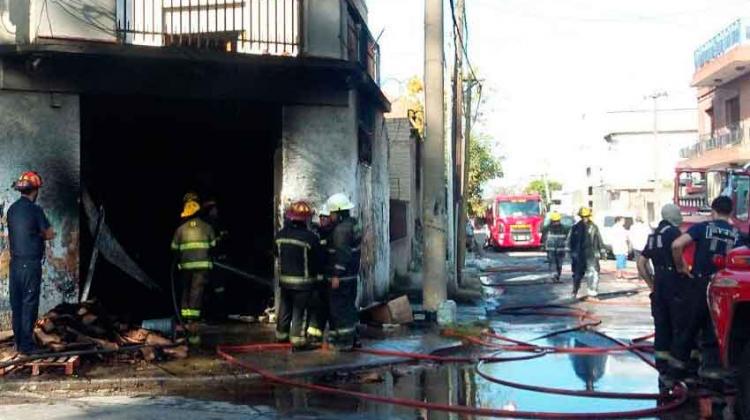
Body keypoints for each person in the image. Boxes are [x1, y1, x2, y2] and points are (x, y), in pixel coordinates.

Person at [670, 196, 741, 380]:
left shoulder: (703, 227)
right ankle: (712, 373)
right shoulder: (737, 233)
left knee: (689, 325)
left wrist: (682, 267)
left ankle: (677, 371)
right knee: (715, 330)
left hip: (700, 283)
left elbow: (677, 244)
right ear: (731, 212)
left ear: (713, 211)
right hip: (724, 288)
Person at [7, 171, 55, 356]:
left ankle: (19, 344)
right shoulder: (35, 210)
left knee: (17, 304)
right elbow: (49, 233)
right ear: (35, 190)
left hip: (15, 265)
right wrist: (41, 234)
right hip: (30, 264)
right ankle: (27, 347)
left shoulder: (12, 209)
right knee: (29, 304)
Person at [636, 204, 683, 382]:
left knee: (661, 325)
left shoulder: (653, 235)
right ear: (673, 216)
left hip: (659, 282)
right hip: (674, 282)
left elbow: (641, 263)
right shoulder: (673, 233)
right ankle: (677, 369)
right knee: (678, 325)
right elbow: (680, 251)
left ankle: (662, 369)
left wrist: (651, 285)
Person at [274, 201, 321, 350]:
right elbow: (317, 259)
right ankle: (298, 341)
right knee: (300, 311)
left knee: (285, 309)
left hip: (285, 281)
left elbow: (276, 254)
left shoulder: (279, 235)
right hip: (304, 283)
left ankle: (281, 336)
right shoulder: (311, 238)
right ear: (306, 219)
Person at [171, 193, 216, 339]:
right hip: (202, 268)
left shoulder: (180, 230)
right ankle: (193, 327)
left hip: (185, 267)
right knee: (196, 293)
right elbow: (213, 245)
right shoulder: (207, 228)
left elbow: (173, 248)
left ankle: (184, 323)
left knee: (185, 292)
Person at [325, 193, 362, 351]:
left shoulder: (341, 231)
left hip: (343, 277)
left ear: (339, 213)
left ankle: (344, 342)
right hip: (352, 275)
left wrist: (336, 275)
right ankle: (352, 338)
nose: (330, 216)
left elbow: (342, 255)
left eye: (332, 213)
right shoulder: (354, 224)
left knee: (338, 309)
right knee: (349, 307)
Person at [307, 205, 334, 347]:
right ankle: (314, 336)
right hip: (318, 279)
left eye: (325, 217)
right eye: (321, 217)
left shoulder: (334, 234)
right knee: (317, 308)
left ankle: (335, 336)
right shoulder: (317, 233)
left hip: (330, 278)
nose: (322, 220)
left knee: (331, 308)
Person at [568, 207, 606, 299]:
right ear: (581, 216)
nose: (585, 218)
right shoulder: (575, 227)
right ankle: (575, 291)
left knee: (593, 273)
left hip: (591, 254)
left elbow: (599, 240)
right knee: (577, 274)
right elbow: (570, 240)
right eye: (584, 216)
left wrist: (603, 252)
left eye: (587, 216)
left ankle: (592, 293)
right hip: (579, 255)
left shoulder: (594, 227)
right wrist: (571, 253)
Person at [542, 212, 569, 283]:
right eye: (555, 221)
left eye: (557, 221)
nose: (556, 223)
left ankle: (557, 276)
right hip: (552, 249)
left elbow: (568, 238)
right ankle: (554, 276)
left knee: (559, 264)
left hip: (560, 249)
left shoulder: (564, 228)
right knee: (553, 263)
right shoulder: (547, 228)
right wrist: (543, 246)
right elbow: (543, 238)